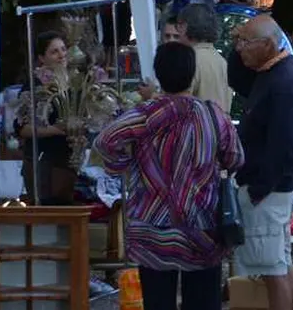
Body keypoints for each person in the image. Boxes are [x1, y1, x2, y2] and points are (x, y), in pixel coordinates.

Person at [94, 42, 244, 310]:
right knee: (203, 303)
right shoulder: (213, 115)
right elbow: (235, 159)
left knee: (157, 303)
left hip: (152, 230)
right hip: (202, 228)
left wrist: (123, 163)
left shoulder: (143, 114)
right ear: (192, 73)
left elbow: (105, 141)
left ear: (159, 74)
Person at [231, 15, 293, 310]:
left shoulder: (283, 82)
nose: (240, 48)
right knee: (279, 262)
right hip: (271, 187)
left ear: (266, 44)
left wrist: (259, 189)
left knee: (272, 268)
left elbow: (285, 145)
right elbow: (236, 74)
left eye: (245, 42)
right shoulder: (273, 73)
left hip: (269, 189)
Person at [16, 31, 75, 204]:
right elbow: (22, 128)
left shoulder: (72, 82)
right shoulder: (35, 86)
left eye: (63, 49)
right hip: (43, 162)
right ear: (42, 58)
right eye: (54, 51)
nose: (61, 55)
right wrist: (56, 130)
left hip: (66, 161)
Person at [176, 4, 233, 113]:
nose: (178, 30)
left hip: (197, 127)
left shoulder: (189, 60)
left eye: (179, 25)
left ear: (185, 26)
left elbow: (178, 104)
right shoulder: (221, 61)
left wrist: (152, 95)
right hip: (221, 127)